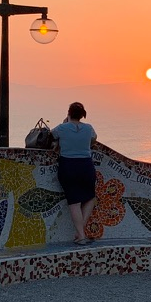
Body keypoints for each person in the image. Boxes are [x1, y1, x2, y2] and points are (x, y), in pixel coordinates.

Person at [51, 102, 98, 245]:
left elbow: (51, 135)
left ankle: (81, 235)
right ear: (82, 115)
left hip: (68, 166)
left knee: (74, 202)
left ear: (69, 113)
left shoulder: (62, 128)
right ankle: (80, 233)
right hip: (86, 166)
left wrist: (65, 122)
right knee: (90, 198)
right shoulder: (88, 128)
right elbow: (94, 139)